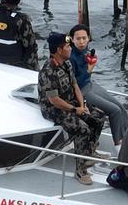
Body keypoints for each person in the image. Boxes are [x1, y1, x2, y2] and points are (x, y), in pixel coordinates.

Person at [37, 33, 105, 185]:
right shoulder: (48, 71)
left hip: (71, 102)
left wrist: (82, 105)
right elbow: (54, 100)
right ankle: (80, 171)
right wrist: (75, 110)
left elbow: (75, 86)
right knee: (82, 129)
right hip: (54, 109)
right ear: (59, 50)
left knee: (99, 117)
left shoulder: (67, 64)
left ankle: (89, 153)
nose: (70, 49)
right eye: (67, 46)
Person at [68, 24, 128, 148]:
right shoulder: (71, 57)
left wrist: (89, 66)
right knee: (114, 111)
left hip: (89, 84)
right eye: (78, 39)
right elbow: (74, 83)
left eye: (84, 38)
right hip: (81, 90)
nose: (81, 42)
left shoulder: (85, 51)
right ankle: (118, 146)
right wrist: (89, 69)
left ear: (88, 38)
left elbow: (85, 76)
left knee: (120, 107)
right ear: (72, 39)